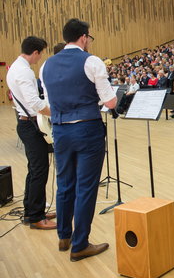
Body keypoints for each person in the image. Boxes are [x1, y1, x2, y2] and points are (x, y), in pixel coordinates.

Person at [41, 19, 117, 261]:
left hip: (61, 131)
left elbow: (51, 101)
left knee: (65, 184)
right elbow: (111, 102)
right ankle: (80, 244)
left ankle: (64, 236)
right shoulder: (91, 61)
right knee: (86, 187)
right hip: (87, 130)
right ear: (84, 37)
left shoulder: (46, 65)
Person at [6, 36, 56, 230]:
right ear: (35, 52)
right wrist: (58, 110)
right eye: (40, 53)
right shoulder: (24, 71)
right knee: (39, 170)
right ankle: (35, 217)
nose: (40, 58)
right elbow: (35, 104)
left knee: (35, 169)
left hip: (25, 123)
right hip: (30, 125)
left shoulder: (14, 68)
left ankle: (32, 211)